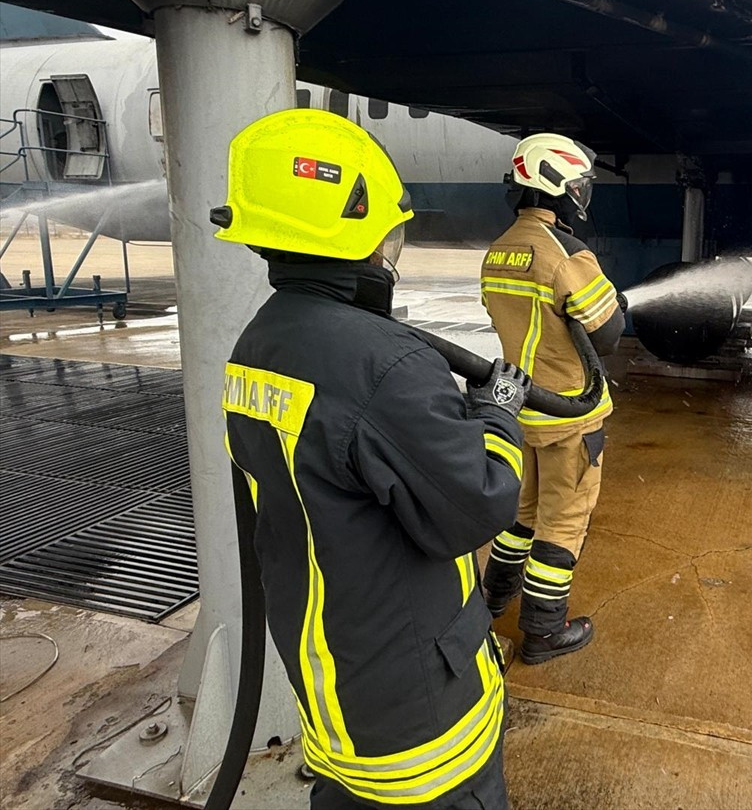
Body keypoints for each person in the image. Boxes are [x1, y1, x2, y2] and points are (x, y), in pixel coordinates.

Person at [212, 108, 530, 809]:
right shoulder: (388, 366)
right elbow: (477, 502)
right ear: (354, 233)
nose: (393, 252)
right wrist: (497, 414)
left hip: (337, 701)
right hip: (425, 733)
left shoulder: (257, 346)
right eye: (390, 234)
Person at [479, 132, 625, 665]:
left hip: (520, 411)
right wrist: (616, 304)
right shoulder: (566, 254)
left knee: (522, 514)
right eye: (579, 184)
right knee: (563, 522)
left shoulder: (498, 251)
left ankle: (492, 601)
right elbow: (608, 335)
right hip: (570, 418)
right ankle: (543, 631)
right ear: (559, 185)